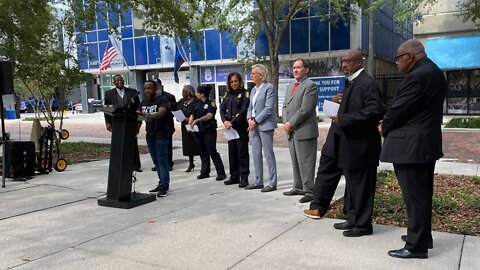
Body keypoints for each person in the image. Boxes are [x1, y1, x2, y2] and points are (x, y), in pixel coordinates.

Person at [381, 39, 447, 259]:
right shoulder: (435, 72)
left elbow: (399, 109)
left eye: (398, 59)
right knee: (423, 194)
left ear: (409, 56)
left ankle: (416, 246)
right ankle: (422, 236)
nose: (397, 63)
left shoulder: (416, 77)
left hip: (411, 147)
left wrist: (384, 125)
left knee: (415, 197)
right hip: (426, 144)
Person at [330, 50, 383, 237]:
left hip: (363, 146)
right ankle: (352, 219)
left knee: (362, 188)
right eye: (342, 61)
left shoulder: (367, 83)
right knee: (352, 187)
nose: (344, 65)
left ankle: (363, 225)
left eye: (348, 61)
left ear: (359, 63)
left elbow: (375, 110)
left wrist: (344, 119)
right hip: (350, 145)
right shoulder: (352, 82)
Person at [303, 94, 347, 219]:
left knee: (347, 176)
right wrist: (334, 103)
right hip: (337, 137)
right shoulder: (353, 85)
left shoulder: (364, 85)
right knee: (326, 171)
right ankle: (317, 208)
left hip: (348, 137)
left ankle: (349, 212)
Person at [282, 58, 319, 203]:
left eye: (299, 67)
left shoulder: (310, 85)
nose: (296, 70)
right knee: (295, 161)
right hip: (291, 131)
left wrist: (291, 123)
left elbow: (306, 109)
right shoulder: (291, 85)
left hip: (304, 131)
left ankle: (309, 191)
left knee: (306, 162)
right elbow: (285, 106)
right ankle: (298, 187)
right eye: (294, 68)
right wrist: (285, 122)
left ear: (306, 69)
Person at [245, 64, 278, 193]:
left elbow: (269, 108)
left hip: (265, 125)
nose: (251, 76)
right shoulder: (253, 89)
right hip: (253, 125)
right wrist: (249, 119)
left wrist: (255, 121)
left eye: (254, 74)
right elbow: (250, 107)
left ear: (261, 75)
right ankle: (259, 181)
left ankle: (272, 182)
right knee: (256, 153)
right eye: (251, 73)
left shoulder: (269, 88)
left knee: (268, 154)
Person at [138, 80, 170, 197]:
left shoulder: (162, 100)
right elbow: (138, 113)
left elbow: (161, 112)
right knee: (156, 161)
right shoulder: (144, 101)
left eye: (149, 88)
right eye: (145, 88)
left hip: (161, 134)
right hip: (150, 135)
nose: (147, 90)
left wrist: (149, 116)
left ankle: (164, 186)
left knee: (162, 161)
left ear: (156, 88)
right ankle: (161, 182)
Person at [104, 74, 142, 172]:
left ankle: (136, 165)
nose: (120, 82)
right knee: (119, 144)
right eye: (117, 81)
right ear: (114, 83)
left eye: (121, 80)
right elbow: (106, 109)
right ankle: (122, 165)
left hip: (131, 121)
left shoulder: (132, 92)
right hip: (117, 122)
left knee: (132, 144)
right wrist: (108, 123)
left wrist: (139, 122)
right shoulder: (109, 94)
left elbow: (138, 107)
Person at [189, 85, 226, 181]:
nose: (196, 94)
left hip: (209, 130)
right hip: (198, 131)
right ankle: (205, 171)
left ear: (202, 94)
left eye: (198, 93)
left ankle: (221, 172)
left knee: (212, 151)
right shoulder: (196, 103)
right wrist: (191, 120)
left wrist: (197, 120)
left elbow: (209, 115)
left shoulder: (211, 103)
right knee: (202, 152)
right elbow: (192, 114)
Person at [220, 72, 250, 188]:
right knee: (232, 153)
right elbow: (222, 109)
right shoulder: (228, 94)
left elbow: (243, 110)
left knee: (242, 153)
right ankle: (234, 176)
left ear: (240, 81)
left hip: (240, 127)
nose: (234, 83)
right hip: (229, 128)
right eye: (231, 81)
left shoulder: (245, 93)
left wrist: (232, 122)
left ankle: (244, 178)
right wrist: (225, 121)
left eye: (236, 81)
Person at [151, 78, 176, 172]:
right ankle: (158, 163)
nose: (156, 88)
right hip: (155, 125)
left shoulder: (169, 96)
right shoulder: (151, 97)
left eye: (156, 85)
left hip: (167, 124)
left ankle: (169, 163)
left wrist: (166, 105)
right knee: (156, 145)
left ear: (160, 86)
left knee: (167, 144)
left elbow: (175, 107)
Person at [177, 85, 200, 172]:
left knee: (197, 142)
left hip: (194, 124)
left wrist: (191, 118)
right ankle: (191, 163)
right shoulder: (182, 101)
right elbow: (177, 109)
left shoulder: (196, 101)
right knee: (188, 144)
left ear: (190, 93)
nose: (182, 93)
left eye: (184, 92)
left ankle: (205, 163)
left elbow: (198, 111)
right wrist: (179, 117)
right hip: (185, 125)